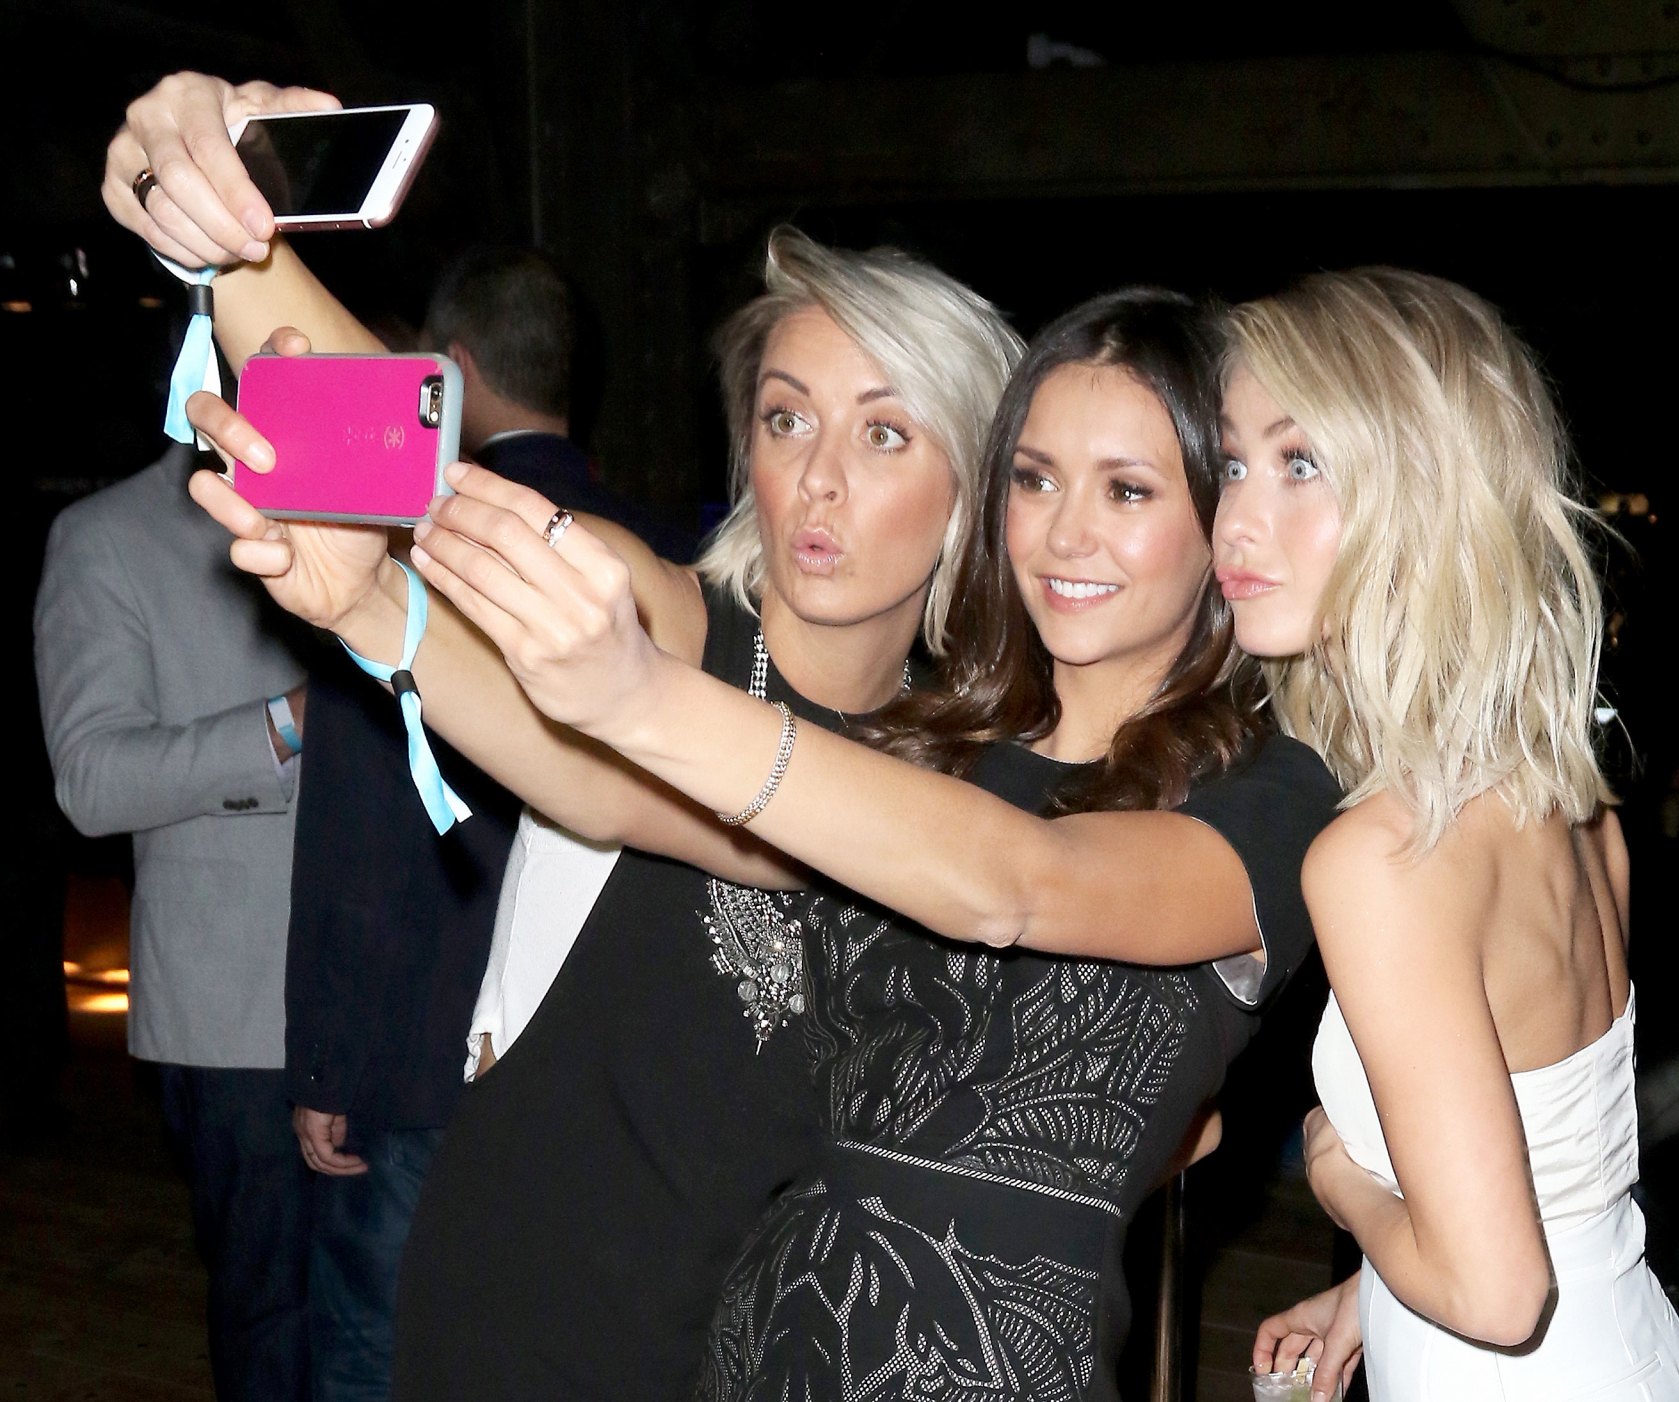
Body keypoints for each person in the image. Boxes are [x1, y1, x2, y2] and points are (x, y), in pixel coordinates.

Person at [105, 69, 1024, 1397]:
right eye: (787, 418)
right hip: (523, 1315)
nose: (820, 477)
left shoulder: (970, 774)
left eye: (886, 433)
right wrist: (217, 226)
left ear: (969, 488)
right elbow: (431, 472)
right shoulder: (670, 626)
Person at [372, 289, 1341, 1398]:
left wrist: (643, 698)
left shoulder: (1273, 797)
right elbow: (618, 801)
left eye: (1127, 489)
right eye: (1035, 480)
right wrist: (369, 610)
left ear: (1217, 518)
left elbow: (1016, 883)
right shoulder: (930, 748)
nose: (1066, 533)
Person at [1216, 270, 1679, 1400]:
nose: (1236, 518)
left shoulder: (1382, 856)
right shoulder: (1568, 798)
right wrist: (1378, 1291)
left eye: (1301, 462)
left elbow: (1497, 1295)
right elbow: (1557, 1174)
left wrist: (1343, 1184)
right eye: (1232, 462)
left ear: (1429, 493)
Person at [283, 245, 664, 1401]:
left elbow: (358, 828)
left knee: (375, 1353)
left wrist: (325, 1056)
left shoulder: (411, 552)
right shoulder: (661, 561)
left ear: (448, 369)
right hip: (604, 1069)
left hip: (415, 1052)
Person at [34, 438, 316, 1401]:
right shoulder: (108, 536)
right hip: (237, 1012)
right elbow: (91, 780)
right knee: (275, 1324)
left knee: (385, 1317)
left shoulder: (368, 511)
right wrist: (283, 727)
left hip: (396, 986)